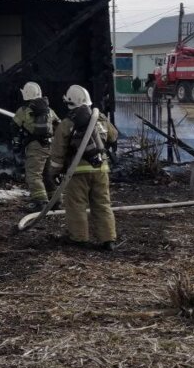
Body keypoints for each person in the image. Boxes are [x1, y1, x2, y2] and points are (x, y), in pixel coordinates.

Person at [48, 85, 119, 251]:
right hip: (100, 169)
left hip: (77, 172)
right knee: (102, 204)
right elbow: (114, 136)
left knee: (76, 205)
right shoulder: (99, 118)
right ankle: (108, 240)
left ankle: (79, 238)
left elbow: (58, 152)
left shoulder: (67, 123)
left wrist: (54, 173)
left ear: (70, 102)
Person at [11, 81, 59, 210]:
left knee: (33, 174)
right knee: (47, 174)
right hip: (50, 146)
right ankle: (55, 201)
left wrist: (17, 140)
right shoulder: (49, 110)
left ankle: (40, 202)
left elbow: (14, 126)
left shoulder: (23, 110)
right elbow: (58, 125)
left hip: (35, 147)